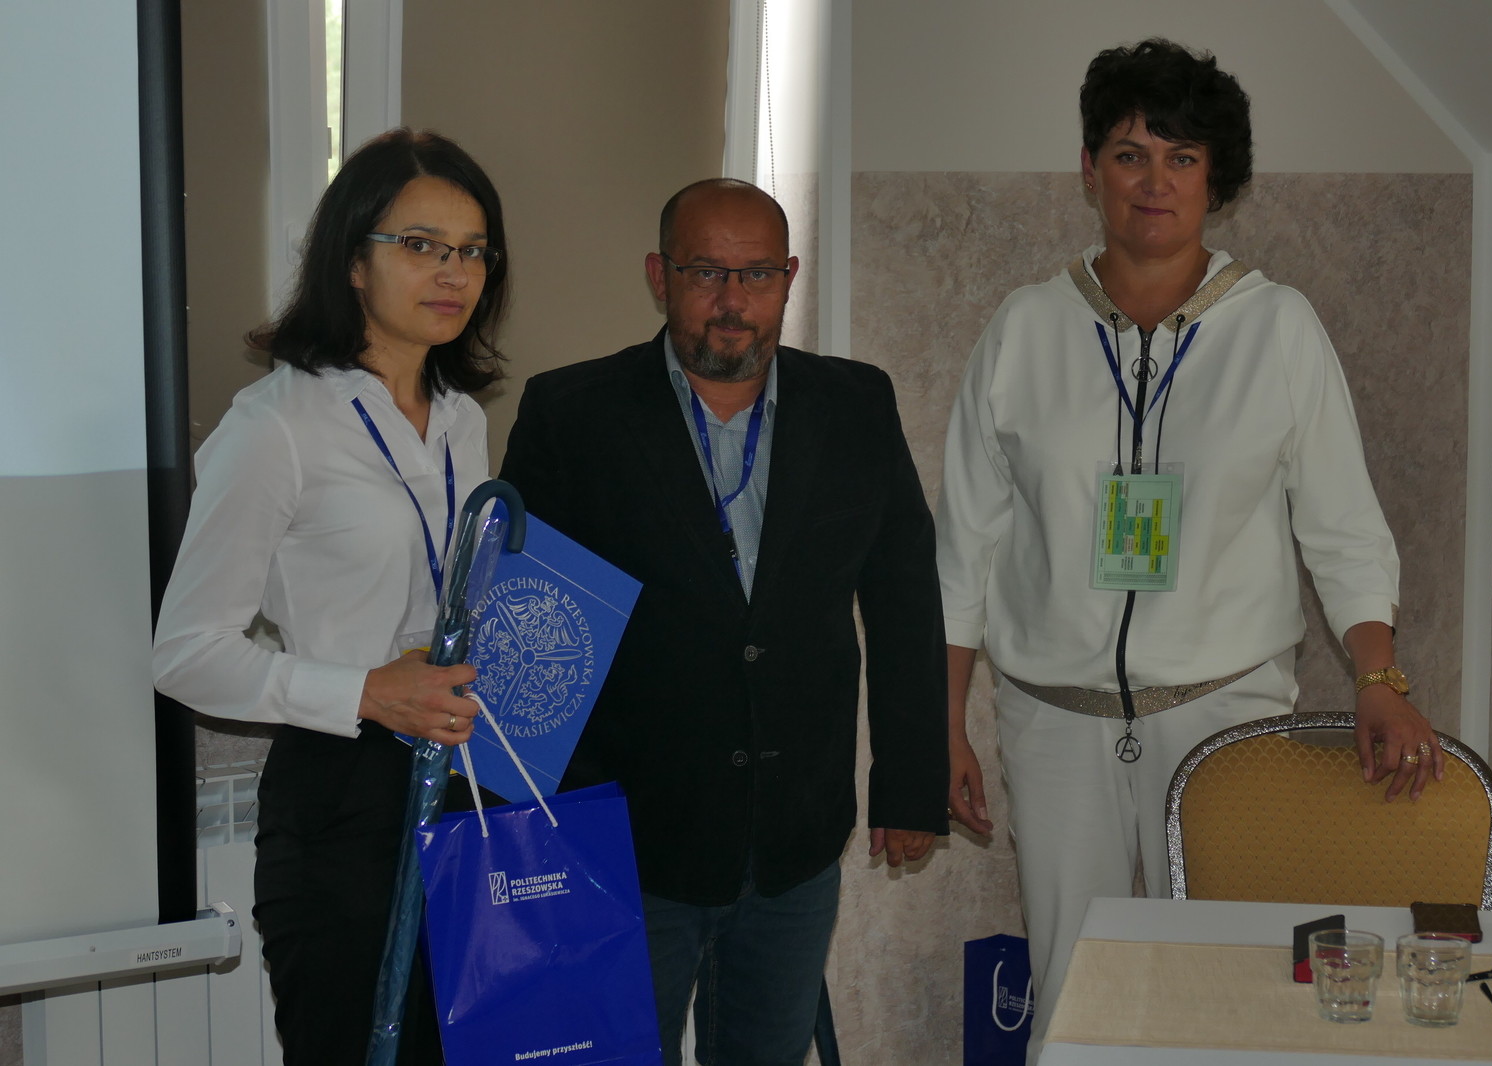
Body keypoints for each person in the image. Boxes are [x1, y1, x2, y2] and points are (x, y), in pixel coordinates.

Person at [936, 39, 1442, 1061]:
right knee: (1071, 993)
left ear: (1217, 178)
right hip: (1055, 718)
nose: (1153, 181)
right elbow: (963, 544)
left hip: (1222, 712)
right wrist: (938, 721)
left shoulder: (1277, 328)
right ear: (1089, 170)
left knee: (1222, 990)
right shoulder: (1025, 328)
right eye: (1129, 155)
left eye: (1181, 157)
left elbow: (1342, 527)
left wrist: (1379, 675)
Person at [499, 178, 947, 1065]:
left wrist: (909, 783)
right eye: (706, 272)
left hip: (794, 841)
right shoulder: (573, 415)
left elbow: (903, 598)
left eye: (757, 275)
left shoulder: (856, 404)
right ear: (659, 276)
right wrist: (554, 825)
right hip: (627, 843)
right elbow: (527, 637)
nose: (733, 301)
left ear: (789, 279)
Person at [153, 129, 510, 1064]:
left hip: (464, 789)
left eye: (473, 251)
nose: (454, 272)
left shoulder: (461, 421)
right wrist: (366, 692)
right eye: (421, 245)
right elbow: (186, 653)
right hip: (341, 800)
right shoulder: (276, 426)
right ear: (353, 262)